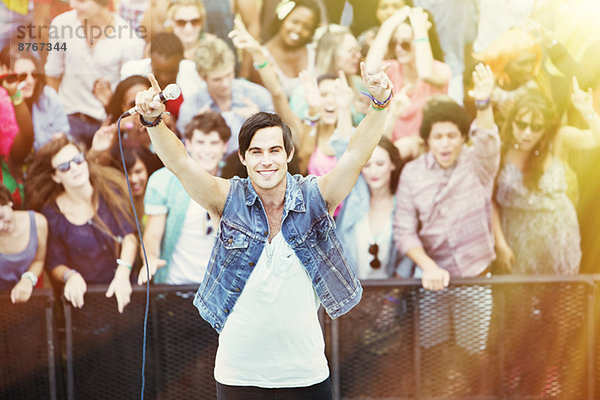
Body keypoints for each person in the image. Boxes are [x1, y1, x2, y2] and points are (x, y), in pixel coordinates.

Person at [133, 57, 391, 397]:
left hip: (305, 374)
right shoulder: (227, 198)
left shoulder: (315, 196)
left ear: (288, 154)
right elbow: (181, 164)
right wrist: (153, 121)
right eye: (255, 152)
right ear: (242, 158)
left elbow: (356, 155)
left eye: (274, 150)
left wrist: (380, 103)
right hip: (239, 375)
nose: (266, 160)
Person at [392, 65, 497, 387]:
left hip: (476, 277)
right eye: (438, 136)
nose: (445, 143)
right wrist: (428, 267)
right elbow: (404, 231)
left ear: (463, 137)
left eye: (452, 135)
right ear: (427, 139)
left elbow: (489, 140)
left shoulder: (478, 163)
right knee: (434, 355)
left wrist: (484, 103)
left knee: (473, 356)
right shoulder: (412, 173)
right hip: (434, 282)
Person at [493, 80, 600, 275]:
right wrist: (500, 244)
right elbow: (489, 200)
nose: (527, 133)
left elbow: (597, 139)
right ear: (512, 120)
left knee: (559, 303)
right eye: (522, 124)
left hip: (558, 240)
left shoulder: (558, 139)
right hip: (517, 242)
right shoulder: (500, 146)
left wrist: (587, 110)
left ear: (546, 128)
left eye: (536, 127)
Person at [26, 136, 138, 313]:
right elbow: (55, 263)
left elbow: (129, 237)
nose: (74, 168)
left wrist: (123, 273)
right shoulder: (52, 214)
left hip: (127, 292)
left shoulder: (110, 189)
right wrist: (71, 276)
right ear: (55, 176)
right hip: (89, 305)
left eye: (77, 160)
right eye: (64, 167)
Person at [138, 111, 230, 285]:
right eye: (200, 142)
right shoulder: (163, 180)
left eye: (214, 143)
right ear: (188, 144)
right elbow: (152, 234)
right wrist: (150, 258)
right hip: (176, 288)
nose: (207, 150)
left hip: (220, 291)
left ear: (225, 146)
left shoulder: (234, 181)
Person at [45, 0, 145, 148]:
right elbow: (53, 73)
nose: (73, 5)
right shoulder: (61, 24)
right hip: (67, 116)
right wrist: (53, 116)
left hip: (105, 122)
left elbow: (130, 93)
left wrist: (112, 112)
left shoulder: (129, 40)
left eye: (81, 1)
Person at [365, 6, 451, 158]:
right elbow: (370, 69)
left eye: (405, 43)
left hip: (425, 152)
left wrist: (420, 29)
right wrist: (388, 25)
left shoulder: (440, 70)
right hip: (390, 153)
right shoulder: (392, 69)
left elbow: (425, 73)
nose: (398, 49)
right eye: (394, 43)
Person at [176, 36, 273, 155]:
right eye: (217, 79)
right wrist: (195, 128)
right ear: (202, 77)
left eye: (229, 75)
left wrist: (259, 122)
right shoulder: (191, 107)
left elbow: (275, 141)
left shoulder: (257, 95)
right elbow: (185, 152)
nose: (225, 84)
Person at [334, 136, 407, 279]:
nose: (373, 171)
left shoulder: (402, 207)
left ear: (392, 164)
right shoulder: (353, 201)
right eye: (367, 165)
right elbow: (342, 148)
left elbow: (406, 261)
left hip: (389, 296)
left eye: (380, 164)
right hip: (353, 295)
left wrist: (392, 299)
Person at [2, 48, 71, 151]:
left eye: (33, 75)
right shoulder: (3, 104)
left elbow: (65, 135)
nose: (30, 81)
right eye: (22, 76)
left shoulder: (48, 96)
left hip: (47, 160)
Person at [120, 32, 203, 110]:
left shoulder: (194, 72)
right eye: (158, 71)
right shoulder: (132, 71)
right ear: (150, 59)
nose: (164, 78)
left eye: (172, 72)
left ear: (182, 60)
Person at [257, 0, 322, 98]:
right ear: (283, 18)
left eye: (307, 27)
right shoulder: (261, 57)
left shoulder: (314, 52)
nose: (298, 30)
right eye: (295, 22)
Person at [0, 185, 48, 304]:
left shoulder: (38, 223)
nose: (1, 226)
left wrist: (27, 280)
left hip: (32, 297)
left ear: (9, 203)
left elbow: (39, 260)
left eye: (1, 216)